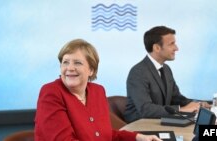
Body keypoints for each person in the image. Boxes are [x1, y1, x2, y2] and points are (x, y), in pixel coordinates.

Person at [34, 39, 162, 141]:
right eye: (65, 62)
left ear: (91, 70)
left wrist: (139, 137)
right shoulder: (51, 92)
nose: (70, 68)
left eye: (77, 63)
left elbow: (104, 135)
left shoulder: (98, 91)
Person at [124, 26, 211, 123]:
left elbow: (176, 98)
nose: (176, 48)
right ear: (157, 48)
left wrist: (198, 104)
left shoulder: (166, 69)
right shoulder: (138, 72)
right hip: (140, 126)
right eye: (171, 44)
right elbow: (146, 109)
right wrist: (180, 110)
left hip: (161, 122)